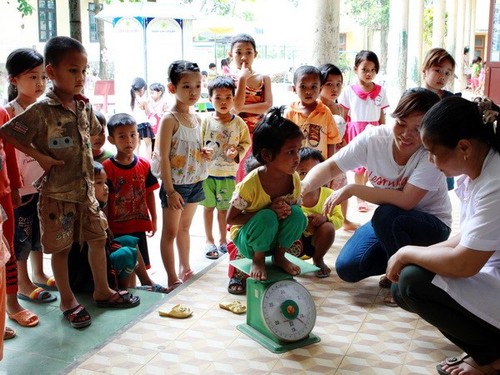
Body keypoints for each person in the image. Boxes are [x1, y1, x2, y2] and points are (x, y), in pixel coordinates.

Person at [0, 36, 140, 329]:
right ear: (52, 72)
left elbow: (94, 134)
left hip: (85, 191)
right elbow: (8, 133)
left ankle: (103, 290)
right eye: (73, 71)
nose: (81, 78)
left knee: (98, 238)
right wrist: (42, 158)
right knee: (60, 248)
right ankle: (67, 300)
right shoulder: (41, 110)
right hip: (57, 195)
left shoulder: (83, 106)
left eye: (84, 70)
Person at [301, 88, 452, 304]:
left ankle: (402, 280)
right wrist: (301, 189)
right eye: (401, 123)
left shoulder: (430, 154)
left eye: (417, 129)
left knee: (386, 213)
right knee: (348, 268)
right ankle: (414, 264)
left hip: (430, 228)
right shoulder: (374, 139)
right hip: (390, 226)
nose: (406, 134)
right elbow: (329, 168)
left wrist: (353, 189)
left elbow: (407, 201)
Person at [386, 96, 500, 375]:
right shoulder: (479, 173)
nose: (430, 160)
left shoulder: (496, 183)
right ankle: (485, 348)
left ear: (463, 147)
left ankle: (492, 356)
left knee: (414, 281)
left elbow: (465, 263)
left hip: (490, 274)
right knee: (404, 285)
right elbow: (463, 239)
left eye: (433, 152)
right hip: (491, 273)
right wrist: (410, 256)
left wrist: (404, 252)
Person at [226, 107, 307, 281]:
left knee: (299, 215)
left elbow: (295, 209)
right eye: (290, 152)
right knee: (267, 216)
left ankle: (279, 256)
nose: (297, 157)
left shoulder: (294, 179)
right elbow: (231, 219)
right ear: (267, 155)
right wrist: (270, 210)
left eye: (299, 150)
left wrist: (285, 209)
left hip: (274, 239)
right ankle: (258, 260)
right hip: (248, 241)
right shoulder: (250, 184)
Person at [4, 49, 57, 311]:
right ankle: (23, 282)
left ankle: (39, 273)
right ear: (14, 80)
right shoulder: (8, 113)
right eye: (32, 77)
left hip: (43, 183)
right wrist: (14, 186)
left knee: (39, 231)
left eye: (42, 77)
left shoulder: (44, 107)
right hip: (22, 186)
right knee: (21, 235)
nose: (39, 83)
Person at [155, 60, 212, 292]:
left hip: (196, 182)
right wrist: (170, 191)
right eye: (187, 86)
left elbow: (190, 149)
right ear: (172, 88)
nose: (194, 92)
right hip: (176, 186)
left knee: (185, 229)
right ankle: (171, 276)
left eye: (198, 86)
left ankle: (185, 267)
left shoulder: (196, 118)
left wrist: (205, 153)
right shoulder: (170, 119)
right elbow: (164, 157)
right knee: (169, 233)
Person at [68, 161, 165, 293]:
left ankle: (146, 281)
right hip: (87, 278)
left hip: (101, 262)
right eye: (99, 183)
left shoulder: (96, 207)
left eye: (105, 183)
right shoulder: (85, 214)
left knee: (129, 241)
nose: (106, 187)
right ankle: (122, 290)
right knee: (126, 254)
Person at [200, 76, 251, 259]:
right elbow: (198, 144)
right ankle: (209, 240)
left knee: (223, 210)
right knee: (207, 209)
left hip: (228, 175)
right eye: (218, 98)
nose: (223, 102)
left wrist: (237, 152)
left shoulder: (238, 123)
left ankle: (223, 240)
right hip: (207, 175)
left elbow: (246, 143)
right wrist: (202, 152)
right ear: (210, 99)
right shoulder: (205, 122)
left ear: (234, 98)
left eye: (228, 97)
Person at [102, 113, 159, 276]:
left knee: (137, 264)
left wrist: (153, 219)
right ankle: (128, 291)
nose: (129, 140)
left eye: (133, 135)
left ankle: (139, 289)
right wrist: (105, 226)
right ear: (111, 139)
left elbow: (149, 194)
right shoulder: (107, 168)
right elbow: (104, 200)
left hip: (138, 225)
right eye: (122, 136)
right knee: (123, 265)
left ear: (139, 136)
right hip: (117, 227)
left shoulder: (144, 165)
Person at [338, 50, 389, 212]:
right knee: (359, 166)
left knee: (371, 165)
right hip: (355, 130)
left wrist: (384, 133)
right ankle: (360, 198)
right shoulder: (349, 91)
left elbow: (382, 114)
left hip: (374, 130)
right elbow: (343, 116)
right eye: (365, 69)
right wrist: (342, 137)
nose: (369, 73)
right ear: (355, 69)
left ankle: (364, 191)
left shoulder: (381, 91)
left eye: (373, 70)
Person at [318, 63, 358, 231]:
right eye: (329, 84)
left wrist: (343, 143)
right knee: (322, 188)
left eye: (338, 84)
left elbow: (343, 129)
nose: (335, 88)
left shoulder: (340, 108)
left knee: (341, 185)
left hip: (338, 153)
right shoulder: (318, 107)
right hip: (320, 153)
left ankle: (344, 218)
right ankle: (322, 218)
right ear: (320, 85)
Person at [229, 33, 273, 181]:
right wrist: (242, 79)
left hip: (256, 133)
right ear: (230, 54)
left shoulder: (263, 78)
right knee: (236, 172)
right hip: (234, 134)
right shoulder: (229, 80)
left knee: (254, 170)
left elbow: (267, 106)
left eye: (248, 52)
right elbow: (234, 106)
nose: (243, 57)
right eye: (238, 52)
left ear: (255, 54)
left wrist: (241, 108)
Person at [297, 147, 343, 278]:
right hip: (293, 242)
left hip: (315, 242)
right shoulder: (291, 195)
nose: (311, 178)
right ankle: (284, 260)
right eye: (303, 173)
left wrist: (326, 219)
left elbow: (339, 220)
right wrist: (303, 220)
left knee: (328, 228)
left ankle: (318, 259)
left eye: (316, 172)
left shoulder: (329, 195)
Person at [284, 65, 341, 160]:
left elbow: (332, 140)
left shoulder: (325, 112)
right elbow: (284, 140)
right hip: (296, 164)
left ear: (320, 89)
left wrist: (328, 164)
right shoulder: (290, 112)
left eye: (313, 87)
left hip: (319, 164)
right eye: (303, 86)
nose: (308, 91)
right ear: (294, 89)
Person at [421, 47, 458, 190]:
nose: (442, 76)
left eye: (447, 73)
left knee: (440, 189)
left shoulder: (451, 99)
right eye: (437, 70)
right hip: (419, 152)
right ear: (425, 70)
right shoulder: (413, 96)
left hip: (444, 152)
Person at [130, 77, 153, 159]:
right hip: (144, 124)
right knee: (148, 144)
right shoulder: (143, 100)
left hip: (134, 124)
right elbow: (148, 113)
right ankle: (148, 162)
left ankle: (136, 162)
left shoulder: (132, 99)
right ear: (143, 88)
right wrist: (147, 104)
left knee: (137, 144)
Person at [148, 82, 168, 148]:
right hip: (152, 124)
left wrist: (161, 114)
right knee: (151, 141)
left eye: (152, 93)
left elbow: (166, 113)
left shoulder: (163, 103)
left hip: (159, 125)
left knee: (159, 141)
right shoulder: (150, 102)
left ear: (159, 93)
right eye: (150, 93)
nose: (151, 95)